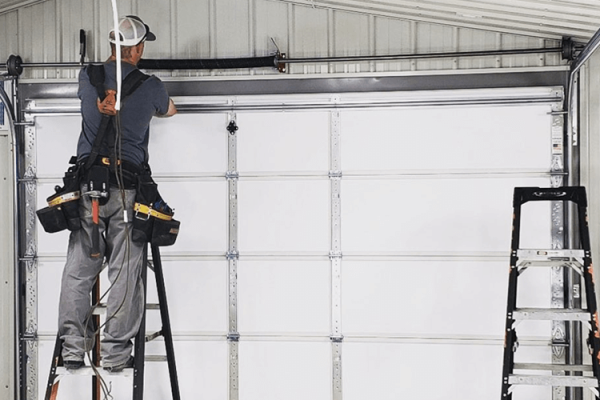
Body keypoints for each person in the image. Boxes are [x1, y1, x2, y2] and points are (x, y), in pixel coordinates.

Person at [57, 15, 177, 372]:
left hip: (88, 193)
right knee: (124, 274)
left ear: (113, 46)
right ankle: (114, 355)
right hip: (126, 192)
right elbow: (170, 110)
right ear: (137, 49)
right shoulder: (151, 85)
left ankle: (72, 351)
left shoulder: (88, 77)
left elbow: (95, 100)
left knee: (78, 273)